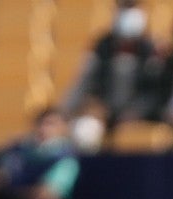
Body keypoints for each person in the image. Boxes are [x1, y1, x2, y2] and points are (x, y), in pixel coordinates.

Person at [63, 0, 162, 131]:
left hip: (140, 116)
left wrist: (136, 111)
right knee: (85, 129)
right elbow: (84, 81)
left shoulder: (149, 49)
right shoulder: (103, 46)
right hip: (104, 112)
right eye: (124, 9)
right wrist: (71, 110)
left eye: (131, 9)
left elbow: (155, 91)